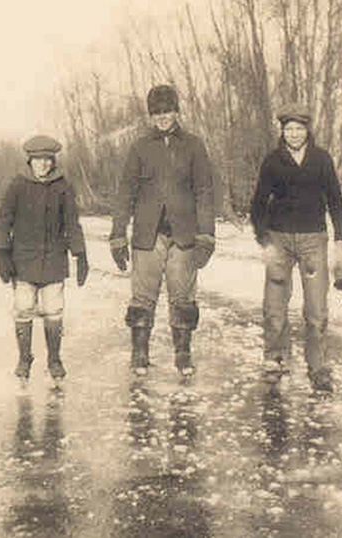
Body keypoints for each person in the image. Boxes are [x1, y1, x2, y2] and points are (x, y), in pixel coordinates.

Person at [110, 84, 215, 377]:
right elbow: (125, 193)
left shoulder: (194, 145)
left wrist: (206, 235)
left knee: (183, 296)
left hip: (184, 236)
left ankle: (183, 353)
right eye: (156, 112)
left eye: (167, 111)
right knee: (143, 297)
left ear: (176, 111)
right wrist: (118, 234)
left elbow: (205, 191)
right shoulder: (140, 147)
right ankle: (139, 353)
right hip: (147, 235)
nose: (162, 117)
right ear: (150, 115)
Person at [250, 102, 342, 394]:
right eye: (288, 129)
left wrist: (341, 239)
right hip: (278, 240)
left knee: (316, 309)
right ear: (282, 131)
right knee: (274, 306)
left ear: (307, 130)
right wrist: (264, 240)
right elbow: (257, 204)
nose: (293, 134)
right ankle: (275, 359)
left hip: (313, 241)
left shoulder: (321, 159)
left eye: (298, 128)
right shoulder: (272, 161)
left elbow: (335, 202)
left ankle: (318, 367)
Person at [0, 135, 89, 384]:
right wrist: (2, 253)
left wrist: (80, 254)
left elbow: (72, 223)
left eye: (48, 159)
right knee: (24, 307)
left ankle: (54, 359)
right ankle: (25, 358)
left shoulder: (63, 186)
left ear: (53, 160)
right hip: (23, 260)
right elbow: (3, 221)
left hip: (54, 260)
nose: (43, 165)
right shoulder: (17, 185)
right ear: (30, 160)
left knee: (53, 309)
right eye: (38, 160)